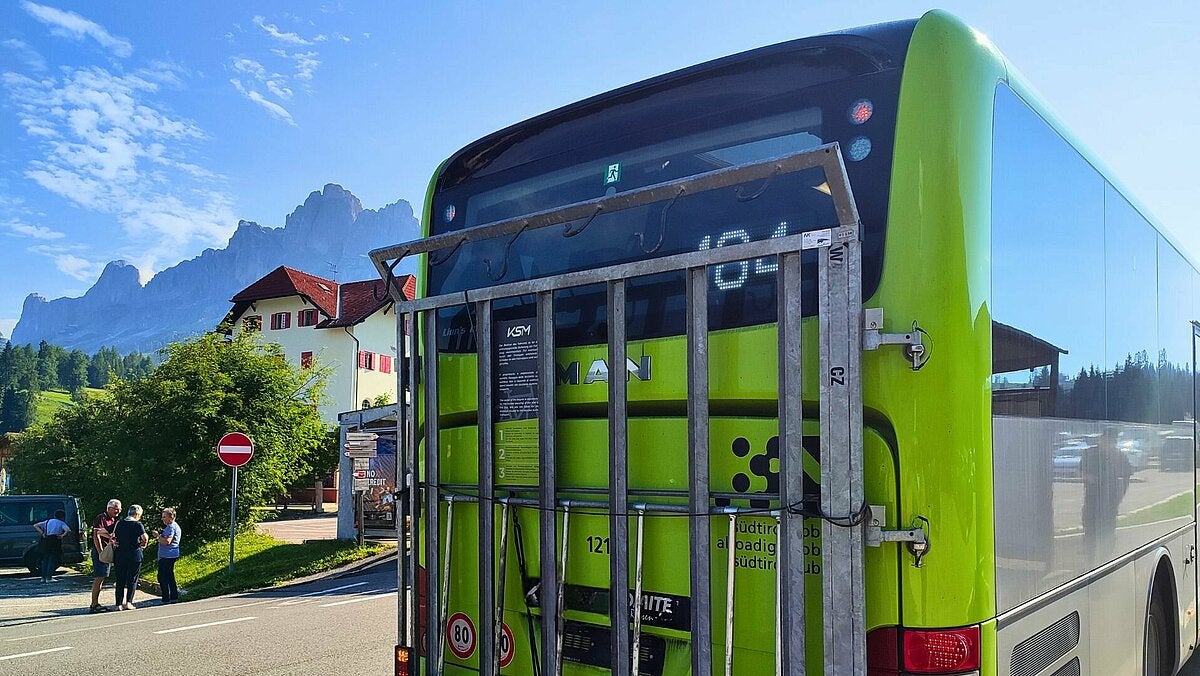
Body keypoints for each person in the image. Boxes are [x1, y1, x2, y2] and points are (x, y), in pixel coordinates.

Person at [111, 504, 148, 611]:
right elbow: (144, 537)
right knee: (132, 579)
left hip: (120, 554)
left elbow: (114, 536)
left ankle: (118, 604)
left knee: (120, 579)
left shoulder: (119, 523)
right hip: (134, 554)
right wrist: (143, 545)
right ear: (137, 514)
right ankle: (129, 602)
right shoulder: (137, 524)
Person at [89, 499, 121, 613]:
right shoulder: (101, 518)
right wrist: (100, 552)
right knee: (99, 577)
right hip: (102, 551)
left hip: (108, 549)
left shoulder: (114, 519)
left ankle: (95, 603)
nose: (118, 511)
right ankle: (94, 604)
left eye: (119, 509)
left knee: (102, 576)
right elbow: (96, 535)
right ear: (109, 508)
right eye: (116, 509)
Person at [32, 509, 71, 583]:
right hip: (55, 540)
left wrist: (42, 533)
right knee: (52, 559)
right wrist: (62, 535)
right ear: (62, 517)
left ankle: (43, 578)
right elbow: (68, 530)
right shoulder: (61, 523)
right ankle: (49, 577)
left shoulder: (48, 521)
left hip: (46, 540)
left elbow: (36, 525)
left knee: (45, 559)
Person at [152, 508, 182, 604]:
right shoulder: (172, 526)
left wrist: (157, 536)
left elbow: (167, 541)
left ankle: (166, 597)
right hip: (169, 554)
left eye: (164, 517)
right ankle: (173, 596)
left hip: (167, 555)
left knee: (162, 576)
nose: (162, 519)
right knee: (169, 575)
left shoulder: (171, 527)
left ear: (171, 517)